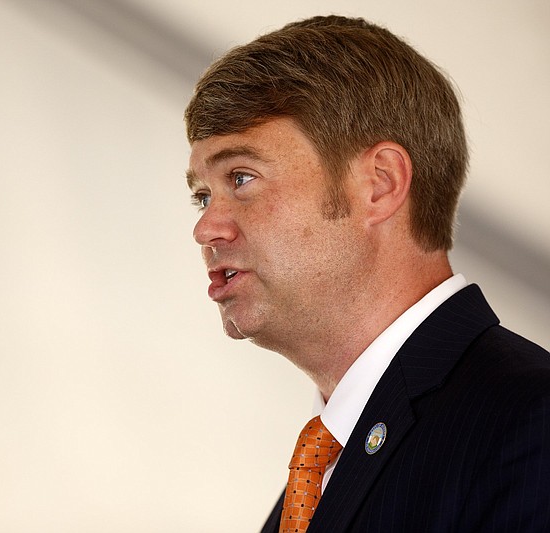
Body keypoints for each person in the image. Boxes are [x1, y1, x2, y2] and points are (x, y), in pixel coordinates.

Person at [183, 15, 550, 533]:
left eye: (241, 178)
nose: (206, 228)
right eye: (202, 195)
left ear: (379, 185)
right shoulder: (319, 473)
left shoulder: (529, 422)